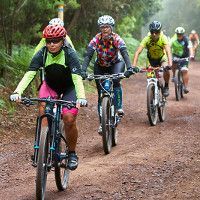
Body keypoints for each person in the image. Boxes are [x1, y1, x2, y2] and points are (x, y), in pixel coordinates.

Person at [10, 25, 87, 170]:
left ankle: (71, 154)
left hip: (69, 88)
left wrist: (81, 97)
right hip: (50, 86)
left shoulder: (70, 54)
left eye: (56, 40)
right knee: (43, 111)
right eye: (49, 41)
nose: (52, 44)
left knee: (69, 118)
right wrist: (17, 91)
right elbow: (30, 74)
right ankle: (42, 148)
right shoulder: (42, 54)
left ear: (63, 41)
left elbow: (77, 79)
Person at [81, 15, 135, 134]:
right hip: (100, 66)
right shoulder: (96, 39)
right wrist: (83, 70)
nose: (105, 29)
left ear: (111, 28)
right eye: (102, 27)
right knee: (101, 93)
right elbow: (88, 55)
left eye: (107, 27)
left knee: (116, 81)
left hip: (116, 64)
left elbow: (124, 53)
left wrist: (129, 68)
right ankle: (102, 123)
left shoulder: (117, 39)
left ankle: (119, 106)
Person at [132, 21, 172, 97]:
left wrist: (170, 64)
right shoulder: (147, 39)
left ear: (160, 32)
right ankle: (152, 95)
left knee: (166, 69)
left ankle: (166, 86)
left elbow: (168, 51)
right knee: (150, 78)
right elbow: (137, 52)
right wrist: (133, 66)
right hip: (151, 59)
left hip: (162, 58)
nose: (154, 34)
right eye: (152, 32)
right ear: (150, 32)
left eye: (156, 32)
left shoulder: (163, 38)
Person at [170, 27, 193, 94]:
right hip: (176, 55)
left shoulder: (187, 39)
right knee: (173, 64)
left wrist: (191, 55)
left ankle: (185, 87)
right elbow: (168, 46)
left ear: (183, 34)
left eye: (181, 34)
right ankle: (174, 76)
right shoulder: (173, 39)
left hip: (185, 56)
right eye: (178, 34)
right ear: (176, 34)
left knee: (184, 70)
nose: (179, 35)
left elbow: (190, 48)